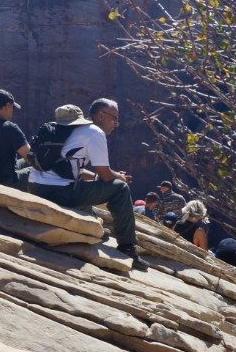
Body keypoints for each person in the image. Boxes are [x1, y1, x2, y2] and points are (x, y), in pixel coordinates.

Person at [27, 100, 148, 270]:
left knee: (86, 186)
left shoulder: (59, 130)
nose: (116, 124)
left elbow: (69, 169)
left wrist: (97, 177)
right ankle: (127, 247)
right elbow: (106, 175)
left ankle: (91, 226)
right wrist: (119, 177)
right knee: (120, 190)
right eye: (114, 118)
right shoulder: (94, 132)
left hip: (35, 186)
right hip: (58, 192)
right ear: (100, 115)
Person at [0, 89, 31, 188]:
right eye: (13, 107)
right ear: (7, 106)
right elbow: (31, 158)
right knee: (39, 172)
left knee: (23, 162)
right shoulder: (9, 128)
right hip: (5, 182)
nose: (13, 110)